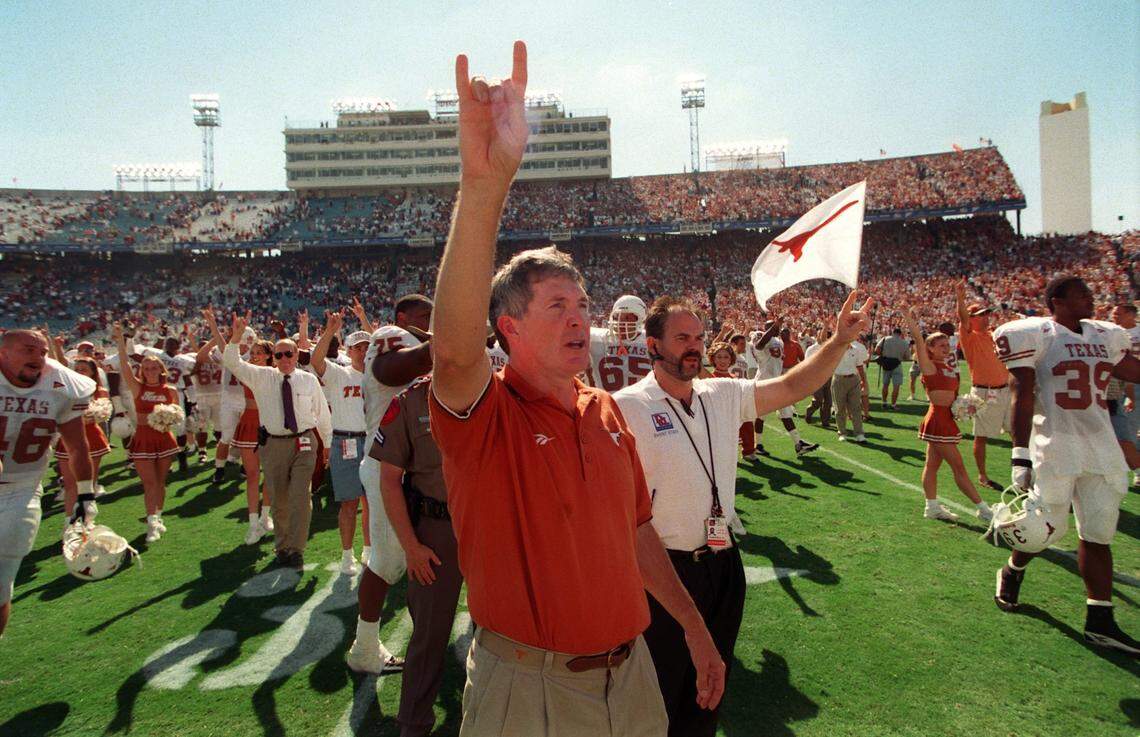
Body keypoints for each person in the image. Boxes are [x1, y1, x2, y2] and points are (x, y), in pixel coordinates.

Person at [428, 41, 721, 735]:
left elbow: (637, 534)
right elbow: (452, 352)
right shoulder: (485, 416)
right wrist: (484, 187)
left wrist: (693, 624)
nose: (580, 316)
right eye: (557, 304)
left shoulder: (606, 412)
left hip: (633, 673)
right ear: (509, 328)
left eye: (581, 303)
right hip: (530, 691)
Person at [615, 291, 873, 736]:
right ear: (654, 345)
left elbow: (793, 386)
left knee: (710, 686)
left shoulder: (722, 392)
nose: (694, 345)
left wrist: (837, 341)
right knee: (657, 692)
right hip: (663, 571)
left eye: (698, 336)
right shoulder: (626, 407)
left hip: (723, 561)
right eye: (681, 338)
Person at [992, 276, 1140, 654]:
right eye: (1082, 294)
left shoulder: (1105, 336)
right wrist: (1019, 454)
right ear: (1057, 300)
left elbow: (1133, 370)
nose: (1092, 298)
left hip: (1100, 444)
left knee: (1099, 533)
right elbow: (1022, 394)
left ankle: (1100, 620)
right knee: (1044, 528)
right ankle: (1013, 569)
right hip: (1055, 444)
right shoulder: (1038, 335)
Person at [345, 294, 433, 675]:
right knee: (387, 563)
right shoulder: (389, 338)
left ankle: (427, 634)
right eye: (422, 315)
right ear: (401, 318)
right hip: (387, 468)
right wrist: (454, 336)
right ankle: (364, 649)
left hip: (422, 467)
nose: (428, 321)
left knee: (432, 555)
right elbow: (398, 368)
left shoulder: (419, 341)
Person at [373, 375, 461, 737]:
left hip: (490, 527)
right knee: (429, 633)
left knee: (503, 629)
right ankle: (414, 722)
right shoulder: (411, 400)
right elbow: (389, 479)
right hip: (436, 529)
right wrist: (411, 546)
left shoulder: (498, 389)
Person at [214, 309, 332, 570]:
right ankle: (283, 547)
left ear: (296, 355)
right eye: (279, 355)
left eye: (289, 353)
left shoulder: (308, 379)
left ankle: (297, 549)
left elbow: (321, 412)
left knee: (301, 495)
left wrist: (328, 444)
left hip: (304, 442)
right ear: (273, 358)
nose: (285, 358)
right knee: (279, 498)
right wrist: (234, 338)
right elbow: (232, 363)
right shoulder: (261, 376)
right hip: (274, 444)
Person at [0, 329, 95, 635]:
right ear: (3, 352)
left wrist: (85, 497)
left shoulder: (61, 386)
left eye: (42, 352)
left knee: (1, 583)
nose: (38, 358)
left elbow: (78, 446)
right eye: (29, 350)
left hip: (21, 489)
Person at [902, 308, 992, 522]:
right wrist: (910, 320)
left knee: (932, 465)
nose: (946, 348)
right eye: (941, 345)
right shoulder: (929, 366)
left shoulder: (947, 366)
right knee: (958, 467)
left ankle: (931, 507)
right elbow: (917, 337)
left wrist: (963, 405)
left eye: (947, 345)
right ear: (929, 349)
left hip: (946, 419)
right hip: (938, 420)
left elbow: (951, 396)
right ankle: (983, 509)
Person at [308, 311, 372, 575]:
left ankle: (369, 548)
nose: (362, 352)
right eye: (358, 348)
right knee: (349, 503)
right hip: (345, 439)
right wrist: (330, 330)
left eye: (367, 347)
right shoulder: (339, 373)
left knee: (372, 501)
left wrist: (366, 320)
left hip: (372, 442)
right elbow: (315, 360)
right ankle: (347, 555)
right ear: (349, 350)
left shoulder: (379, 375)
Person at [204, 315, 275, 546]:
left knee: (271, 476)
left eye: (258, 353)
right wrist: (223, 330)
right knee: (253, 475)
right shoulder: (245, 370)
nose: (253, 356)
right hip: (250, 423)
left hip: (273, 423)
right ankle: (253, 523)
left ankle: (266, 516)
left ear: (269, 356)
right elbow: (229, 355)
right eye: (252, 353)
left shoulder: (278, 373)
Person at [113, 323, 179, 543]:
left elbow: (177, 415)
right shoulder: (138, 387)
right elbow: (124, 366)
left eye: (154, 367)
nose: (150, 371)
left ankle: (158, 517)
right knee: (149, 483)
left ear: (161, 369)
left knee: (160, 482)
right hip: (142, 439)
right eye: (146, 368)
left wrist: (168, 419)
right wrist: (120, 341)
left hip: (164, 439)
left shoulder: (171, 390)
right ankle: (151, 523)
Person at [955, 279, 1010, 491]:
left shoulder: (992, 335)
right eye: (982, 315)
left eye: (987, 314)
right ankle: (983, 475)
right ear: (972, 319)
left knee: (1019, 431)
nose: (987, 317)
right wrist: (960, 299)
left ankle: (1024, 472)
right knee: (981, 435)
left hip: (1004, 390)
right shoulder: (970, 336)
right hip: (984, 392)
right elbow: (962, 319)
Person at [752, 318, 819, 457]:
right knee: (760, 416)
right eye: (771, 326)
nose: (776, 328)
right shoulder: (759, 335)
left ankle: (798, 444)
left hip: (776, 382)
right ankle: (756, 444)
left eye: (776, 326)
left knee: (786, 413)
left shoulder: (779, 341)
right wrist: (772, 328)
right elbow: (759, 345)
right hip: (763, 383)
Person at [53, 357, 111, 507]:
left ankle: (87, 505)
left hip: (92, 435)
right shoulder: (68, 389)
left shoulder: (100, 391)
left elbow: (104, 413)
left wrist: (93, 415)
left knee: (90, 477)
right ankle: (68, 495)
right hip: (70, 435)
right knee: (70, 477)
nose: (79, 372)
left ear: (93, 372)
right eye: (77, 369)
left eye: (83, 369)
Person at [587, 293, 653, 391]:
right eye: (617, 317)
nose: (621, 322)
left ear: (640, 319)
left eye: (627, 318)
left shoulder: (652, 341)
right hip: (605, 403)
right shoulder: (596, 338)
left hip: (643, 404)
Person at [1106, 304, 1140, 478]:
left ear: (1130, 315)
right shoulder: (1109, 332)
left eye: (1118, 313)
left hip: (1132, 382)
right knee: (1124, 429)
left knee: (1129, 427)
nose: (1114, 316)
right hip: (1113, 388)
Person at [831, 333, 869, 442]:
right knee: (840, 408)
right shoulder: (836, 350)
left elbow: (860, 366)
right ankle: (842, 432)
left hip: (854, 379)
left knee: (856, 407)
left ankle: (859, 434)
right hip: (839, 380)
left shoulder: (856, 350)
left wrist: (863, 380)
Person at [804, 326, 834, 428]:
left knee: (828, 401)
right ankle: (809, 412)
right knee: (818, 400)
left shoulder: (831, 349)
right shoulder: (811, 349)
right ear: (817, 336)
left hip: (828, 377)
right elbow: (807, 364)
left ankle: (825, 421)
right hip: (816, 378)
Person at [874, 326, 910, 409]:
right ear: (900, 334)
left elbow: (877, 350)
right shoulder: (904, 342)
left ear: (893, 333)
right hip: (897, 364)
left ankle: (884, 402)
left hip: (886, 363)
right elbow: (907, 357)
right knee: (896, 386)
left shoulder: (885, 339)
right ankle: (893, 405)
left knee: (885, 384)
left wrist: (883, 355)